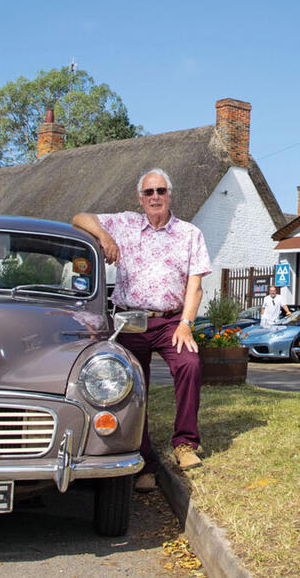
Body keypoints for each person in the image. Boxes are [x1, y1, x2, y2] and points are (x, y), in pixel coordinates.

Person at [73, 168, 211, 493]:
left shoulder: (189, 233)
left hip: (170, 320)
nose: (155, 197)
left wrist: (186, 324)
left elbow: (195, 286)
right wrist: (105, 237)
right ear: (140, 198)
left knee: (189, 364)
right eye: (149, 192)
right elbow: (79, 218)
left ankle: (185, 443)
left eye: (161, 191)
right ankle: (144, 462)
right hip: (130, 320)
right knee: (133, 385)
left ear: (169, 195)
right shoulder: (124, 223)